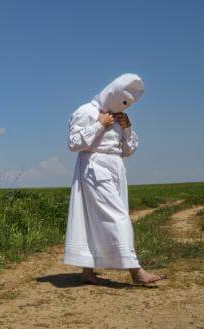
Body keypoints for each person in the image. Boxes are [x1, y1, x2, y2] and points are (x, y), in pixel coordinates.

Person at [63, 73, 163, 285]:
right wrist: (98, 124)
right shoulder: (86, 111)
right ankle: (136, 271)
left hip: (115, 168)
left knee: (92, 218)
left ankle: (87, 271)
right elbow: (73, 143)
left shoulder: (119, 116)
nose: (124, 108)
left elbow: (127, 151)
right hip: (95, 168)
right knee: (117, 217)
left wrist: (127, 128)